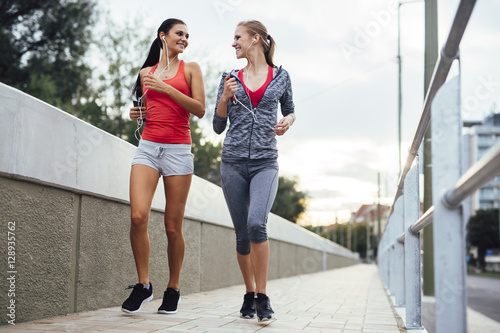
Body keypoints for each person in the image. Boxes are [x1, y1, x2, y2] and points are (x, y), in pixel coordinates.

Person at [213, 20, 295, 322]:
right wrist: (224, 97)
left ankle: (262, 296)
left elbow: (290, 109)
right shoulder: (229, 78)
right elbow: (218, 126)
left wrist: (290, 120)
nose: (233, 43)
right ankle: (249, 292)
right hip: (232, 162)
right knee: (242, 236)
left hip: (265, 163)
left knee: (257, 223)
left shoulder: (281, 76)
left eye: (238, 37)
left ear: (255, 39)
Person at [121, 18, 205, 315]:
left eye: (187, 35)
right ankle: (144, 286)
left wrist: (168, 90)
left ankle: (173, 288)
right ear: (163, 36)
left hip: (178, 151)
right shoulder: (146, 72)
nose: (184, 38)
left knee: (172, 227)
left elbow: (200, 110)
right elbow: (147, 109)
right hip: (148, 147)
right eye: (179, 34)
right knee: (138, 215)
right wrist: (137, 114)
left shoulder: (191, 68)